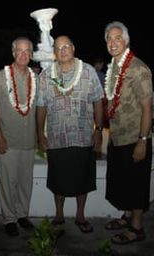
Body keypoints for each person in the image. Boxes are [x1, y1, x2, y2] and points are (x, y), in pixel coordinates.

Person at [36, 35, 104, 234]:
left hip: (83, 137)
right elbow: (40, 106)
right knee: (58, 177)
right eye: (58, 47)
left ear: (73, 48)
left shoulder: (89, 71)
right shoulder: (46, 75)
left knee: (83, 177)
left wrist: (98, 130)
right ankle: (59, 214)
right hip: (57, 138)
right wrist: (40, 134)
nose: (63, 50)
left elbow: (98, 101)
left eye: (66, 46)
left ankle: (80, 215)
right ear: (54, 53)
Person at [103, 21, 153, 245]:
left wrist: (142, 141)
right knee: (123, 181)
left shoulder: (138, 68)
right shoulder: (113, 67)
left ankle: (137, 228)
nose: (113, 43)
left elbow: (147, 108)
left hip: (134, 137)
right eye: (109, 39)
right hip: (117, 136)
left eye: (117, 38)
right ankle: (127, 217)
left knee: (136, 183)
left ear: (126, 41)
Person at [0, 37, 37, 236]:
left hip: (28, 141)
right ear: (13, 53)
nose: (23, 54)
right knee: (7, 182)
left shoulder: (36, 78)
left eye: (27, 51)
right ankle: (9, 218)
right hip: (7, 140)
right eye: (19, 51)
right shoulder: (0, 78)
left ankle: (22, 214)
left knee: (26, 181)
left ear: (31, 54)